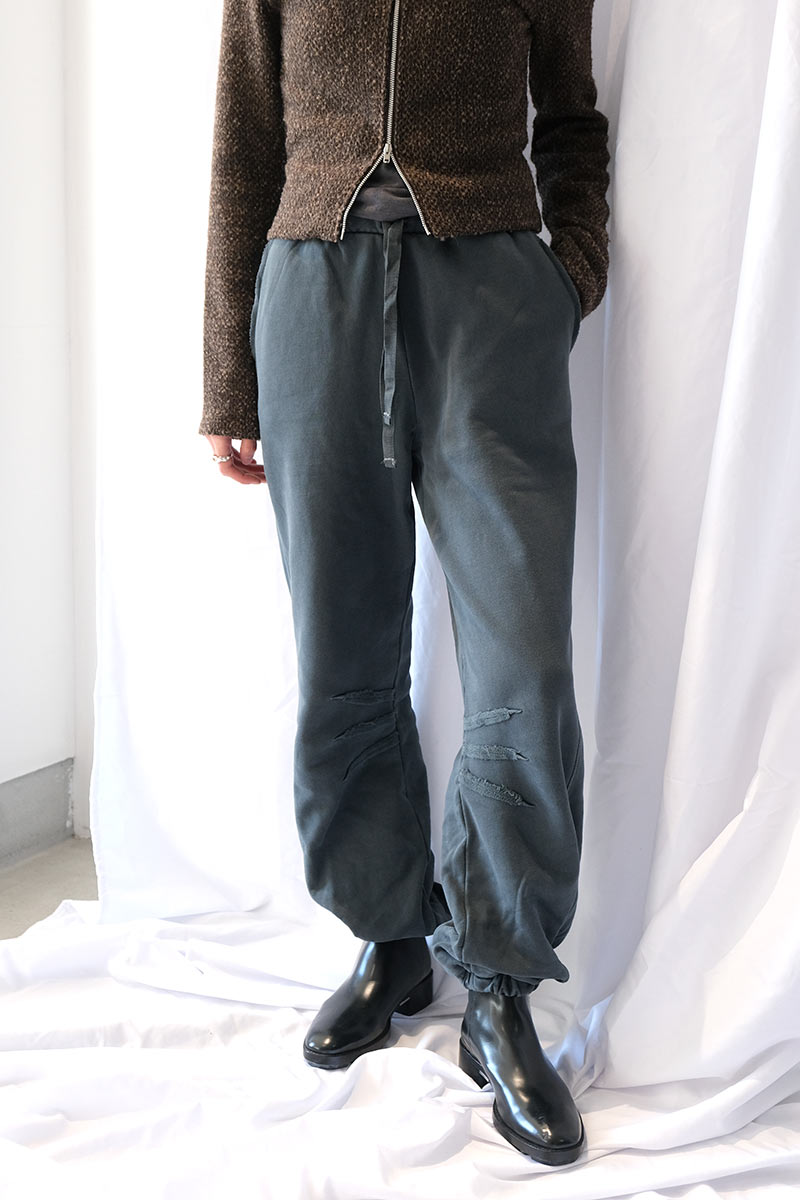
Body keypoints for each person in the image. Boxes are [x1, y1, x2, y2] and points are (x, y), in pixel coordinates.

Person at [200, 0, 610, 1167]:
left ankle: (499, 986)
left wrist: (565, 277)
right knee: (343, 650)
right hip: (311, 296)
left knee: (521, 667)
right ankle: (389, 940)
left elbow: (570, 120)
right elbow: (244, 139)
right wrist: (229, 377)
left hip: (490, 300)